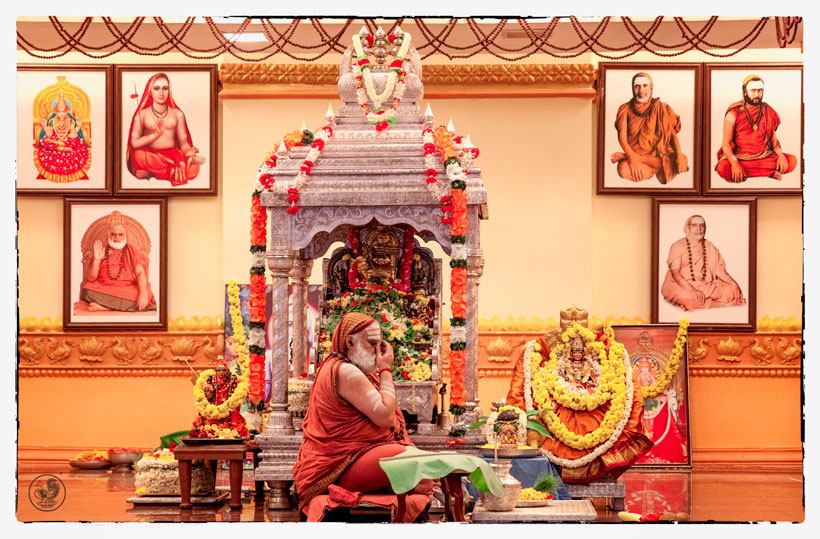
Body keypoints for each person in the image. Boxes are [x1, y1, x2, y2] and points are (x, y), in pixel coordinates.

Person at [292, 312, 437, 521]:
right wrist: (385, 369)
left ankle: (391, 485)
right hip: (338, 466)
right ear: (350, 342)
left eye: (380, 345)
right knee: (409, 460)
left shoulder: (347, 368)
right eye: (373, 344)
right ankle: (394, 485)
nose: (378, 352)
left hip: (353, 458)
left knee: (417, 467)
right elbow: (385, 418)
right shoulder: (345, 371)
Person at [506, 333, 652, 483]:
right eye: (574, 352)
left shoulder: (588, 363)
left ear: (583, 353)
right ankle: (553, 471)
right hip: (564, 392)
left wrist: (585, 385)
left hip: (587, 395)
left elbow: (591, 378)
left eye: (579, 352)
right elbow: (561, 375)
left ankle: (599, 469)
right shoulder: (563, 363)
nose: (576, 354)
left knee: (595, 420)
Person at [126, 73, 205, 186]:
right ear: (150, 91)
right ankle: (173, 169)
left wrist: (189, 151)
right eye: (156, 88)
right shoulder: (141, 115)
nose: (161, 93)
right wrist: (155, 135)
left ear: (169, 91)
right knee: (137, 156)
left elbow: (183, 143)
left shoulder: (178, 114)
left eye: (165, 88)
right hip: (151, 155)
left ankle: (154, 173)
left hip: (173, 154)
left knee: (194, 170)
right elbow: (134, 144)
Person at [716, 75, 797, 182]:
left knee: (792, 161)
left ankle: (745, 174)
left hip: (764, 156)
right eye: (753, 90)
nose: (757, 94)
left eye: (760, 91)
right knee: (723, 168)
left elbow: (773, 140)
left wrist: (780, 155)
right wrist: (735, 164)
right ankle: (768, 172)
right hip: (741, 158)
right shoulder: (734, 112)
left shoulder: (767, 110)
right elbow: (726, 144)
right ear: (745, 91)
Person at [610, 72, 688, 184]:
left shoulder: (660, 107)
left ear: (651, 87)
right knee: (622, 169)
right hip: (637, 155)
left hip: (655, 155)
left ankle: (628, 157)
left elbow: (671, 134)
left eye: (645, 86)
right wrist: (632, 157)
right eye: (637, 87)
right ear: (632, 88)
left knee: (682, 159)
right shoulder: (625, 109)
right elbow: (622, 138)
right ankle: (656, 169)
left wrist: (679, 155)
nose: (641, 91)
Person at [661, 215, 745, 311]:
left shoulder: (709, 246)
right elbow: (676, 274)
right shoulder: (678, 245)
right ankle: (724, 305)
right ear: (688, 228)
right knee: (690, 297)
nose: (699, 228)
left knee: (732, 290)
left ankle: (690, 305)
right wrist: (692, 290)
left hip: (704, 285)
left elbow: (719, 270)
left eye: (702, 225)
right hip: (682, 285)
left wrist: (733, 283)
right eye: (694, 225)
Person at [79, 214, 156, 312]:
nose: (116, 237)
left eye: (120, 234)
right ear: (109, 236)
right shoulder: (101, 251)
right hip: (103, 288)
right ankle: (119, 306)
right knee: (87, 290)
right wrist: (96, 260)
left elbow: (140, 273)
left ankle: (105, 307)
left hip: (125, 289)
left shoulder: (131, 251)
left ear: (125, 236)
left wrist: (143, 293)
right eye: (113, 234)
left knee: (147, 295)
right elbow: (91, 278)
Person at [34, 94, 92, 182]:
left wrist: (78, 126)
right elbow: (49, 135)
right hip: (55, 140)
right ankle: (64, 148)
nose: (61, 114)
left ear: (66, 112)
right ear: (56, 112)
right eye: (59, 111)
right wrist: (45, 126)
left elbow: (72, 134)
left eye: (63, 111)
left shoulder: (70, 121)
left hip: (67, 140)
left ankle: (61, 147)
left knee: (78, 142)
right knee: (45, 142)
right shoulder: (52, 121)